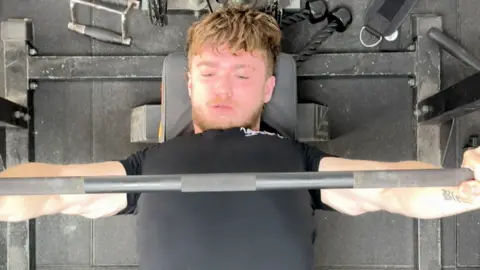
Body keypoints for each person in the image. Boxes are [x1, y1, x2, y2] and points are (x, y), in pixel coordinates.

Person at [1, 5, 480, 270]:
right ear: (188, 83)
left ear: (269, 88)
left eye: (244, 75)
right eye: (208, 72)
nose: (223, 87)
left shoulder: (299, 163)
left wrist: (464, 188)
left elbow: (389, 188)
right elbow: (56, 189)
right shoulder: (147, 167)